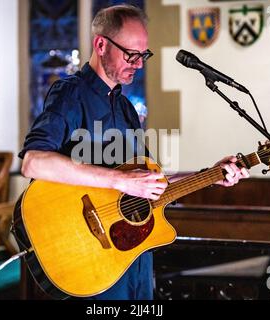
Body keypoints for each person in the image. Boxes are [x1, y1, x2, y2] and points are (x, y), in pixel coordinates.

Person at [19, 4, 249, 300]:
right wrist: (120, 182)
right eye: (131, 54)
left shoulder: (127, 109)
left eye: (144, 55)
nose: (139, 64)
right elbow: (34, 162)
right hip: (91, 259)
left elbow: (149, 183)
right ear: (101, 45)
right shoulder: (70, 94)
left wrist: (209, 175)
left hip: (134, 258)